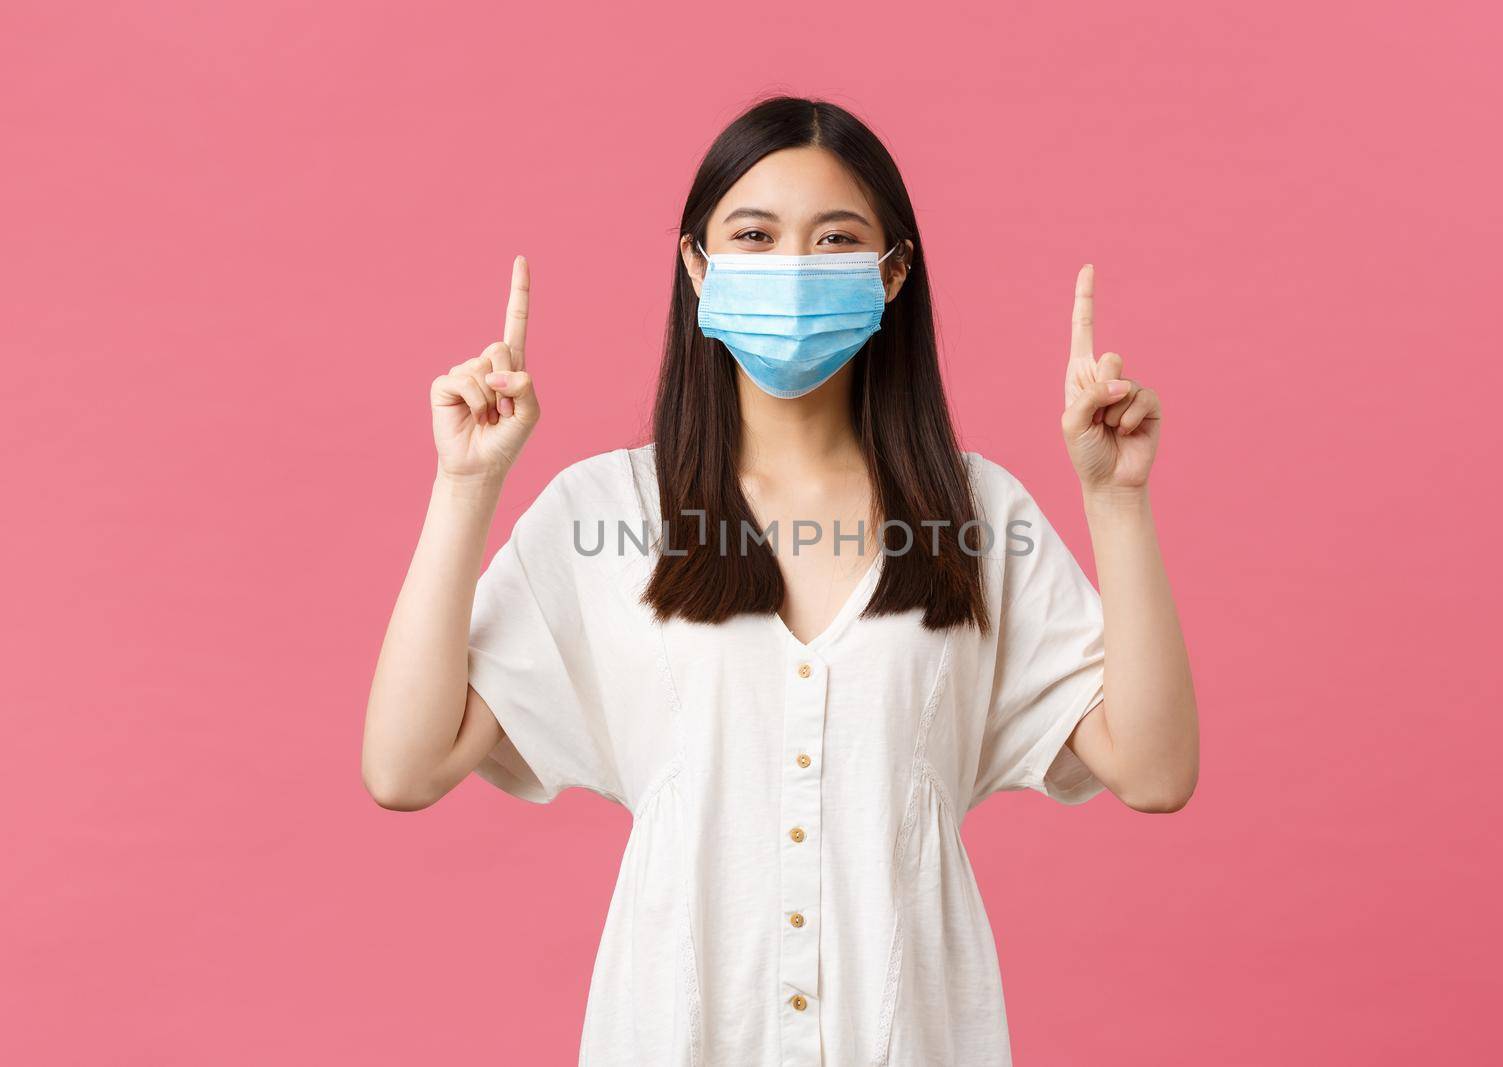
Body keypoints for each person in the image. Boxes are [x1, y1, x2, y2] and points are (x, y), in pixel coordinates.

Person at [362, 95, 1199, 1066]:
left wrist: (1117, 502)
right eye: (753, 235)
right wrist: (466, 485)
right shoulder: (608, 511)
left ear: (892, 273)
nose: (793, 268)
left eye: (835, 238)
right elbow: (403, 765)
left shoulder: (976, 515)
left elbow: (1154, 768)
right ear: (696, 265)